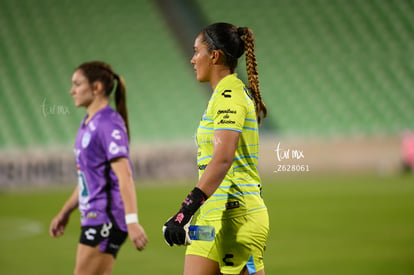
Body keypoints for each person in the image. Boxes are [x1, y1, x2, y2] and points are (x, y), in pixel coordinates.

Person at [163, 23, 269, 275]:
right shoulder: (223, 94)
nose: (192, 59)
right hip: (215, 215)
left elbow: (222, 159)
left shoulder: (228, 97)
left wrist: (184, 211)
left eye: (196, 51)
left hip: (235, 216)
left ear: (214, 55)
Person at [49, 61, 148, 275]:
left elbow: (125, 176)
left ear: (97, 88)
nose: (71, 90)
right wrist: (65, 212)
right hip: (94, 217)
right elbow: (88, 178)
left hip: (106, 219)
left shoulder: (108, 123)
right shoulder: (88, 123)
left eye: (77, 84)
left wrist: (132, 221)